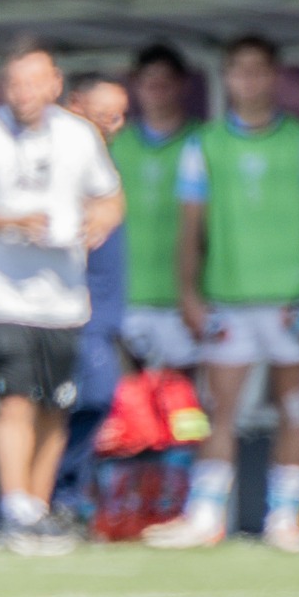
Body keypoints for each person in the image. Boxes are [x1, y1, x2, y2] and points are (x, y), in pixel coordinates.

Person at [146, 34, 299, 553]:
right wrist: (189, 292)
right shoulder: (204, 143)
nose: (248, 80)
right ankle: (206, 516)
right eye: (239, 70)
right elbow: (190, 230)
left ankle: (285, 519)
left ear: (275, 76)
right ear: (226, 78)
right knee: (219, 410)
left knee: (293, 408)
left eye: (258, 70)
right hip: (227, 299)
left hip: (289, 300)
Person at [0, 38, 123, 554]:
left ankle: (37, 509)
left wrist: (98, 222)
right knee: (16, 399)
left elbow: (109, 197)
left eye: (33, 81)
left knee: (55, 404)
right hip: (3, 296)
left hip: (63, 297)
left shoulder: (78, 136)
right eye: (14, 83)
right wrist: (10, 220)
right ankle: (15, 506)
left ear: (55, 83)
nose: (23, 93)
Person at [55, 72, 131, 523]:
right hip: (53, 308)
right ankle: (46, 495)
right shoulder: (55, 159)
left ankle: (68, 494)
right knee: (65, 401)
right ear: (75, 107)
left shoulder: (108, 164)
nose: (114, 124)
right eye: (105, 114)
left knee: (99, 397)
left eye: (120, 116)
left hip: (105, 309)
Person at [112, 43, 201, 372]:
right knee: (131, 403)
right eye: (148, 81)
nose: (156, 90)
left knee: (185, 404)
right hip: (128, 296)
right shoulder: (118, 146)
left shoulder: (203, 141)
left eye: (165, 81)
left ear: (182, 85)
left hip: (184, 299)